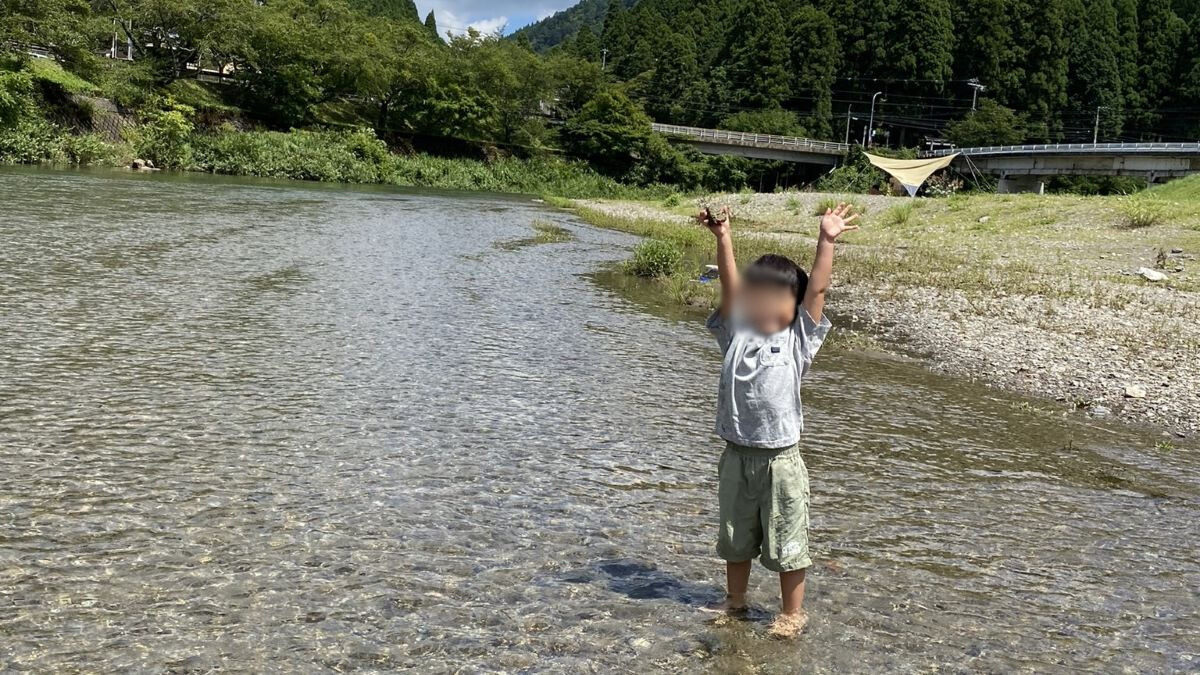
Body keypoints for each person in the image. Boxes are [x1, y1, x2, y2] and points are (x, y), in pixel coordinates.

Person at [700, 202, 859, 639]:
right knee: (735, 538)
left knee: (788, 539)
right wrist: (724, 237)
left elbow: (818, 293)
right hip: (736, 455)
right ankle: (736, 601)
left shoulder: (798, 341)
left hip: (781, 461)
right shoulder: (736, 332)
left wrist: (826, 240)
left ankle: (792, 612)